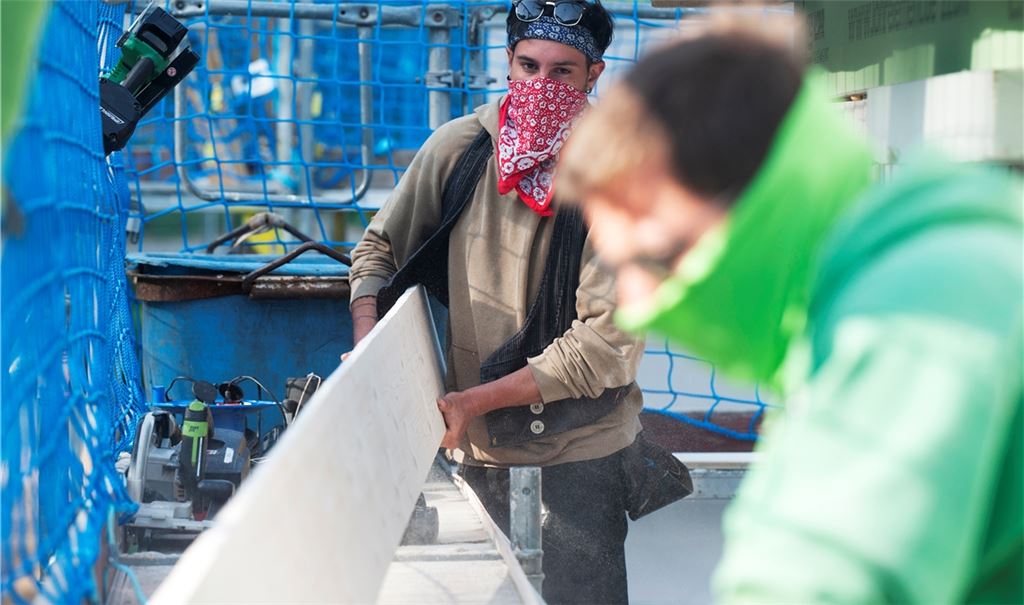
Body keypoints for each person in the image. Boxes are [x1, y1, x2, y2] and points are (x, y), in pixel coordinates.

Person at [558, 20, 1023, 605]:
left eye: (657, 256)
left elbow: (822, 576)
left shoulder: (919, 316)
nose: (637, 303)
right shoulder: (921, 270)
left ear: (765, 202)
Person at [348, 2, 689, 602]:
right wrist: (368, 349)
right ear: (508, 62)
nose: (541, 85)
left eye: (562, 71)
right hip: (478, 449)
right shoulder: (459, 149)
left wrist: (472, 401)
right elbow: (378, 251)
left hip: (582, 455)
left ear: (594, 75)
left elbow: (603, 348)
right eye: (529, 66)